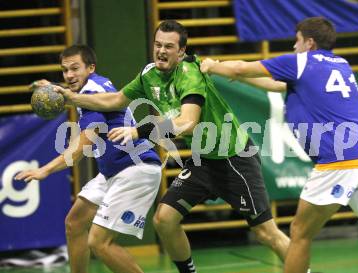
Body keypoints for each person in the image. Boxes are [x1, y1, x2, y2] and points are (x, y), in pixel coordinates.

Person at [53, 20, 290, 273]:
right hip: (203, 160)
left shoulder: (189, 74)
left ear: (181, 51)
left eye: (168, 46)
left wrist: (138, 131)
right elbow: (116, 99)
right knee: (165, 219)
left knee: (266, 232)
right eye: (157, 45)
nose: (161, 51)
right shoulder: (149, 73)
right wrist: (72, 98)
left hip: (235, 158)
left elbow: (187, 122)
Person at [201, 17, 358, 273]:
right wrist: (238, 78)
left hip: (340, 159)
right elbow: (278, 84)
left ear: (309, 42)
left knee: (299, 233)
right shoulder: (341, 64)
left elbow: (240, 68)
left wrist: (212, 66)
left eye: (296, 41)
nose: (294, 47)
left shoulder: (300, 61)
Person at [15, 45, 162, 273]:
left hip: (135, 169)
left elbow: (84, 144)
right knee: (74, 224)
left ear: (90, 67)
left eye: (75, 68)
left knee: (99, 243)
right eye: (65, 70)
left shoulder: (90, 92)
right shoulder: (95, 85)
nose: (69, 75)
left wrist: (45, 170)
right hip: (114, 170)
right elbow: (75, 97)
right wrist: (55, 89)